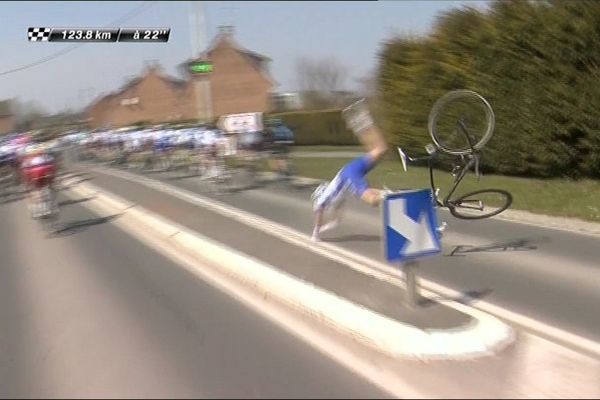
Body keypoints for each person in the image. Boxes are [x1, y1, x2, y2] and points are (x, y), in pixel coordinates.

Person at [311, 99, 389, 241]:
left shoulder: (322, 202)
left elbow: (321, 214)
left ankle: (387, 195)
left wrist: (316, 234)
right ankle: (361, 119)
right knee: (381, 149)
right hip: (350, 169)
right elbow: (337, 220)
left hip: (348, 175)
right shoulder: (334, 198)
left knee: (372, 201)